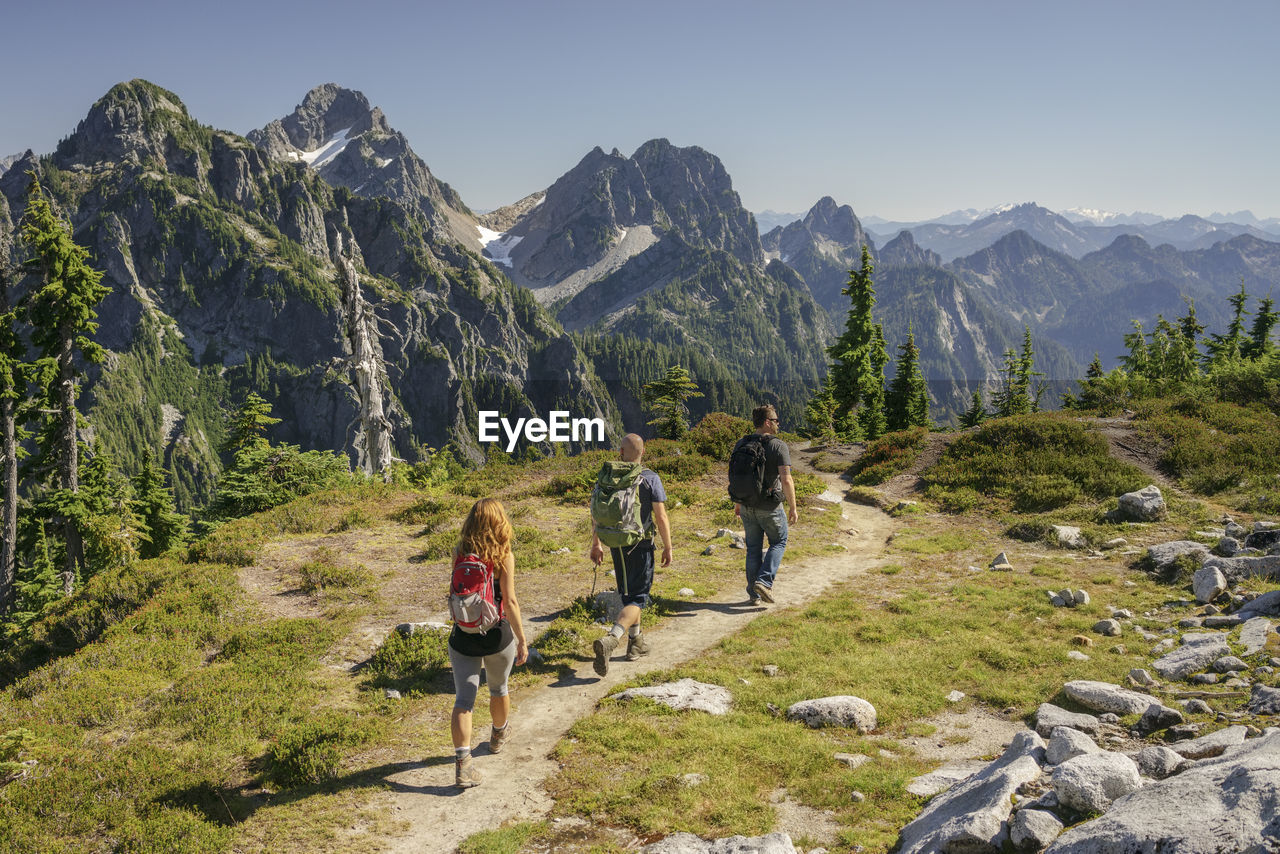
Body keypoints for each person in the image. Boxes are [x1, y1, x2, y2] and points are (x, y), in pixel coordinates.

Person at [448, 498, 528, 789]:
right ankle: (497, 735)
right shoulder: (503, 555)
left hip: (463, 637)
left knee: (463, 700)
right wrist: (521, 640)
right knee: (499, 688)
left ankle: (463, 764)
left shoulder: (459, 552)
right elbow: (510, 601)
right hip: (496, 636)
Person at [589, 433, 673, 677]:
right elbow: (661, 516)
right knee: (638, 598)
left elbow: (596, 512)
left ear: (621, 453)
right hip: (641, 544)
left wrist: (597, 544)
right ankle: (612, 639)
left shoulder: (608, 477)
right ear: (643, 453)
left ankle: (635, 644)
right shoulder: (649, 478)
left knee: (628, 594)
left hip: (616, 542)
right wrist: (668, 546)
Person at [731, 404, 798, 604]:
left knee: (753, 548)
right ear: (767, 422)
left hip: (746, 505)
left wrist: (737, 502)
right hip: (769, 506)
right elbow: (786, 479)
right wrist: (793, 507)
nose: (779, 423)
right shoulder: (778, 445)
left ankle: (753, 594)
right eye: (776, 420)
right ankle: (764, 582)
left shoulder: (741, 443)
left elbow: (735, 475)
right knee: (779, 541)